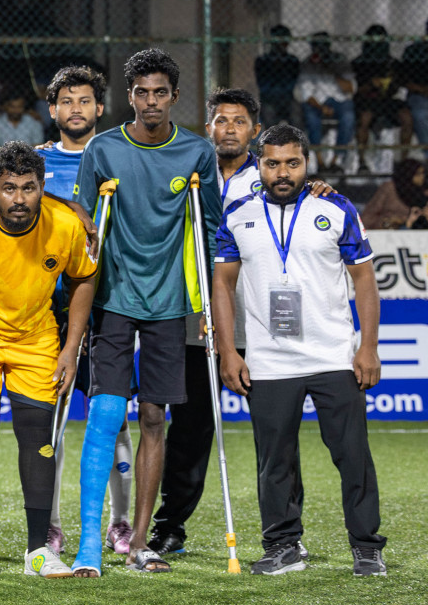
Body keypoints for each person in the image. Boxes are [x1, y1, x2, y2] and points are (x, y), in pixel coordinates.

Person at [212, 123, 386, 577]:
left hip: (333, 356)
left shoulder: (336, 207)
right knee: (275, 463)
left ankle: (367, 546)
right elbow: (222, 286)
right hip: (268, 362)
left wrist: (368, 346)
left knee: (353, 456)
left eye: (292, 163)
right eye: (272, 163)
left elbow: (364, 278)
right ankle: (283, 546)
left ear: (307, 163)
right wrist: (229, 352)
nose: (282, 172)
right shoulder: (237, 214)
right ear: (259, 164)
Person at [71, 48, 219, 576]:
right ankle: (91, 541)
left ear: (174, 97)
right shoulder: (103, 149)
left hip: (169, 304)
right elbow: (84, 219)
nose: (151, 102)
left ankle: (137, 542)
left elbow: (209, 228)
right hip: (113, 297)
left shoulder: (198, 154)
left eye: (160, 92)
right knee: (107, 413)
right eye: (141, 92)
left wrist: (207, 309)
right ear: (128, 96)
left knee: (155, 418)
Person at [0, 141, 94, 579]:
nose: (20, 199)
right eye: (9, 188)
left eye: (29, 188)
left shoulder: (64, 225)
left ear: (43, 187)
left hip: (36, 337)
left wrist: (71, 348)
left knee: (38, 438)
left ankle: (38, 552)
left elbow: (83, 279)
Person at [151, 87, 263, 555]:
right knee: (192, 428)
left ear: (253, 130)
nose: (229, 129)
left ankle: (283, 532)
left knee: (273, 431)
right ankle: (170, 524)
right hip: (196, 318)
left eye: (238, 121)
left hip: (256, 322)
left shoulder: (275, 175)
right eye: (220, 120)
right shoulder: (191, 169)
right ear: (209, 127)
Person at [38, 65, 134, 557]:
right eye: (65, 102)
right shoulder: (33, 164)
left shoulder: (120, 153)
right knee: (49, 420)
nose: (75, 109)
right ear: (52, 110)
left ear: (100, 108)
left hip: (110, 305)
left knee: (113, 419)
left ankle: (120, 522)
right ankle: (52, 525)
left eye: (85, 101)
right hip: (48, 311)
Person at [295, 32, 356, 167]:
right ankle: (320, 161)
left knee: (348, 117)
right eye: (317, 47)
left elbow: (350, 88)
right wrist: (321, 108)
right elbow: (307, 94)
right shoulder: (307, 64)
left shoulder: (340, 60)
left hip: (340, 100)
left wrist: (332, 70)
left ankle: (336, 160)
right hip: (317, 102)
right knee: (311, 118)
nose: (321, 52)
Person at [351, 25, 410, 158]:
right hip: (367, 100)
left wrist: (390, 83)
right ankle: (362, 159)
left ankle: (404, 159)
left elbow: (402, 84)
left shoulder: (392, 62)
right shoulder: (359, 62)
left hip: (387, 100)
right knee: (365, 118)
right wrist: (371, 84)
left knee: (406, 116)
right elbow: (354, 90)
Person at [253, 25, 301, 128]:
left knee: (296, 112)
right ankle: (271, 142)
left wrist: (277, 82)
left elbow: (290, 85)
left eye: (285, 40)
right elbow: (263, 86)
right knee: (268, 114)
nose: (283, 44)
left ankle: (296, 142)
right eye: (280, 40)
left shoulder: (292, 61)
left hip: (287, 99)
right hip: (269, 99)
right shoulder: (262, 60)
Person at [360, 158, 427, 231]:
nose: (422, 177)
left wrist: (404, 220)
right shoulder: (389, 188)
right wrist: (386, 222)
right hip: (385, 229)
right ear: (409, 173)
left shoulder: (423, 193)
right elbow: (370, 213)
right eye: (418, 174)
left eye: (423, 173)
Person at [398, 17, 428, 149]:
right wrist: (422, 89)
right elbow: (403, 80)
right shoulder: (413, 51)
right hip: (419, 95)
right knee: (419, 114)